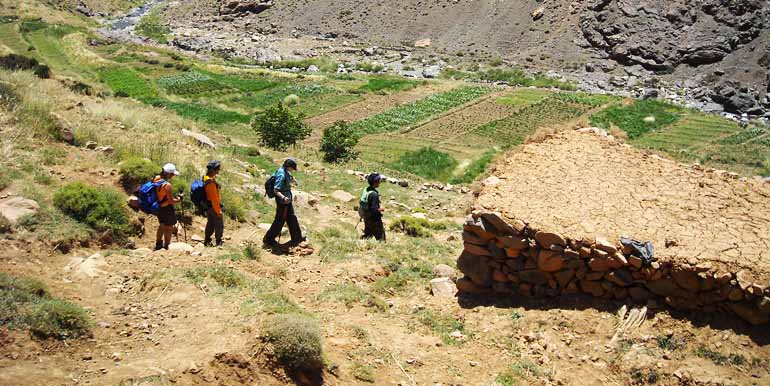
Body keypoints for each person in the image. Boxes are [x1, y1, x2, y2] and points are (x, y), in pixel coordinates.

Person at [263, 158, 304, 247]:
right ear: (288, 166)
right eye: (292, 168)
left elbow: (289, 177)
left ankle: (297, 238)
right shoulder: (281, 174)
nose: (292, 170)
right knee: (280, 220)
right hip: (283, 201)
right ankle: (268, 239)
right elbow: (276, 190)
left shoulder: (285, 171)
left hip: (287, 200)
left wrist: (293, 180)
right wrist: (283, 198)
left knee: (292, 218)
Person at [154, 163, 182, 250]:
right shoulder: (167, 185)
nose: (173, 176)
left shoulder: (155, 179)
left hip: (158, 207)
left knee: (161, 225)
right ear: (168, 173)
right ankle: (166, 247)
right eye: (172, 174)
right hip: (166, 208)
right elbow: (171, 201)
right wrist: (179, 200)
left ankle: (158, 244)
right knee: (169, 227)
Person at [203, 160, 224, 247]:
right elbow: (214, 199)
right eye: (217, 169)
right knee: (218, 224)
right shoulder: (210, 183)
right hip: (213, 206)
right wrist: (218, 211)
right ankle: (218, 241)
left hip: (208, 206)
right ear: (213, 170)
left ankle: (207, 240)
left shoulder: (205, 178)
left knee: (210, 223)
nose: (218, 170)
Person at [359, 173, 385, 241]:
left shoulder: (367, 189)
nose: (380, 182)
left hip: (366, 215)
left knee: (368, 233)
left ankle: (364, 242)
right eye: (379, 180)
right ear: (375, 182)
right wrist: (380, 211)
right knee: (381, 237)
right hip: (373, 219)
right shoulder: (374, 194)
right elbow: (374, 209)